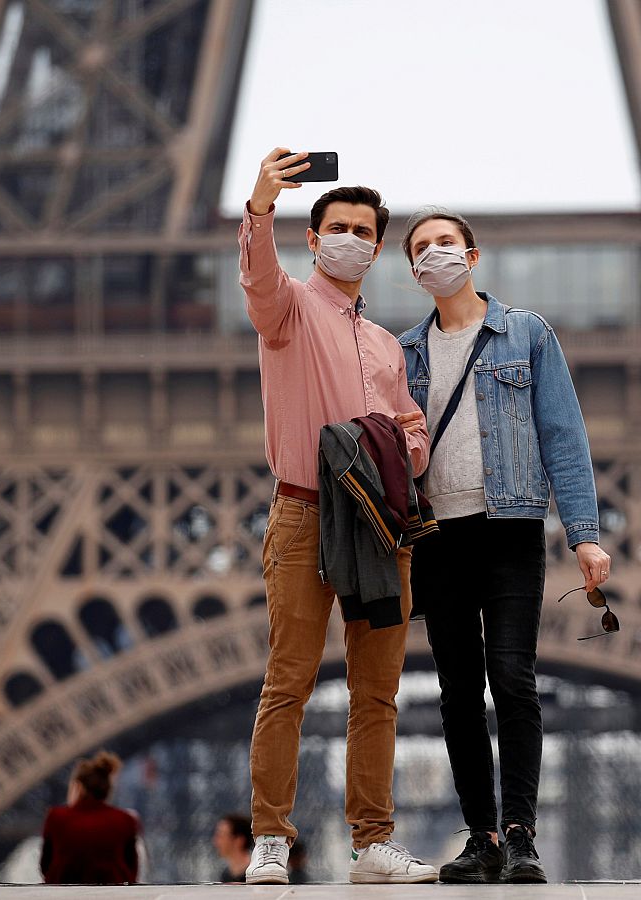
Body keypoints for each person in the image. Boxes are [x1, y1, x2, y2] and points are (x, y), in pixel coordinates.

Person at [238, 147, 438, 886]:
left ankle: (372, 840)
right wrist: (261, 204)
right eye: (338, 227)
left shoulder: (386, 344)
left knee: (377, 690)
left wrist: (401, 448)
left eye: (364, 229)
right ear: (314, 238)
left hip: (378, 523)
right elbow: (256, 276)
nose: (352, 238)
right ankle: (271, 836)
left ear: (377, 246)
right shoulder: (286, 308)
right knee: (287, 680)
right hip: (303, 514)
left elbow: (414, 427)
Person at [397, 208, 613, 884]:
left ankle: (521, 832)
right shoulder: (403, 353)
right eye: (423, 248)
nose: (437, 255)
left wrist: (585, 535)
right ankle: (482, 838)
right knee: (458, 691)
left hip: (511, 527)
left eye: (446, 244)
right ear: (411, 269)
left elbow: (563, 436)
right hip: (439, 536)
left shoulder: (526, 333)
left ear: (474, 254)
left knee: (512, 679)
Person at [40, 751, 141, 885]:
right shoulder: (125, 820)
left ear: (79, 788)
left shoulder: (57, 817)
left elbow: (46, 865)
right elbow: (131, 869)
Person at [213, 813, 252, 883]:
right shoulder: (225, 876)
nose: (216, 841)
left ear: (239, 840)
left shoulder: (256, 875)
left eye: (221, 836)